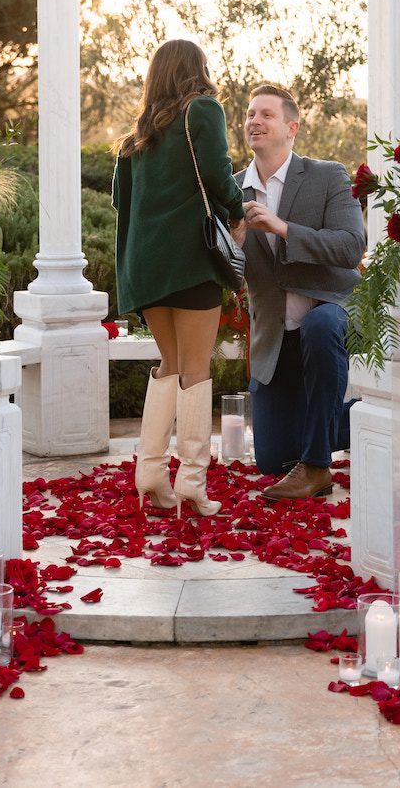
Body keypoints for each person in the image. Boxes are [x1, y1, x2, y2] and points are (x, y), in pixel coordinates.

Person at [113, 39, 245, 517]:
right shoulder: (202, 110)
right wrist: (238, 208)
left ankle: (149, 472)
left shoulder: (135, 139)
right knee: (196, 370)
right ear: (195, 70)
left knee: (169, 366)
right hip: (189, 260)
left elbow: (121, 205)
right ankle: (191, 482)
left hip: (145, 268)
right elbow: (217, 174)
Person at [233, 84, 365, 500]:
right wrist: (232, 245)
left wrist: (283, 228)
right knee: (272, 459)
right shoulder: (232, 190)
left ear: (292, 127)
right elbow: (224, 275)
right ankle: (382, 418)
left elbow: (350, 247)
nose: (255, 120)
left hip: (332, 312)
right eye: (251, 114)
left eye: (266, 114)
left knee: (320, 323)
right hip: (276, 338)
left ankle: (317, 467)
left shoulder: (328, 175)